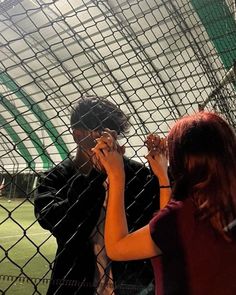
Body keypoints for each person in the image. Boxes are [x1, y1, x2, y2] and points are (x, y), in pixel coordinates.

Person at [93, 111, 236, 295]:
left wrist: (116, 175)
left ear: (181, 160)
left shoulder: (184, 214)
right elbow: (172, 237)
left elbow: (117, 247)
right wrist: (162, 177)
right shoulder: (222, 205)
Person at [34, 96, 159, 295]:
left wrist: (162, 173)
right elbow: (59, 224)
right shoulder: (56, 178)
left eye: (113, 134)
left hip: (132, 286)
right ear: (77, 135)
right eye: (99, 132)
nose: (107, 140)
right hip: (74, 285)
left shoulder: (137, 174)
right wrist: (95, 175)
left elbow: (161, 223)